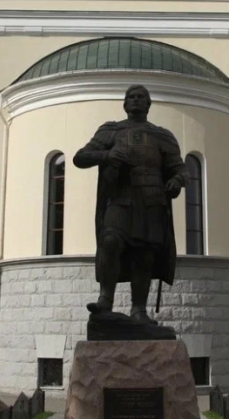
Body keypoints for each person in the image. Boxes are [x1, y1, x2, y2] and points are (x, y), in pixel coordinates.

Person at [74, 85, 187, 325]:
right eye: (131, 97)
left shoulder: (162, 135)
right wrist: (107, 156)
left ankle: (138, 310)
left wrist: (176, 180)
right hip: (120, 197)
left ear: (148, 105)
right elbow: (80, 157)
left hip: (152, 200)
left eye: (141, 98)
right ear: (124, 104)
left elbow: (179, 168)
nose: (136, 101)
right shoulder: (110, 131)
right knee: (110, 241)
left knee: (143, 256)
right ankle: (105, 299)